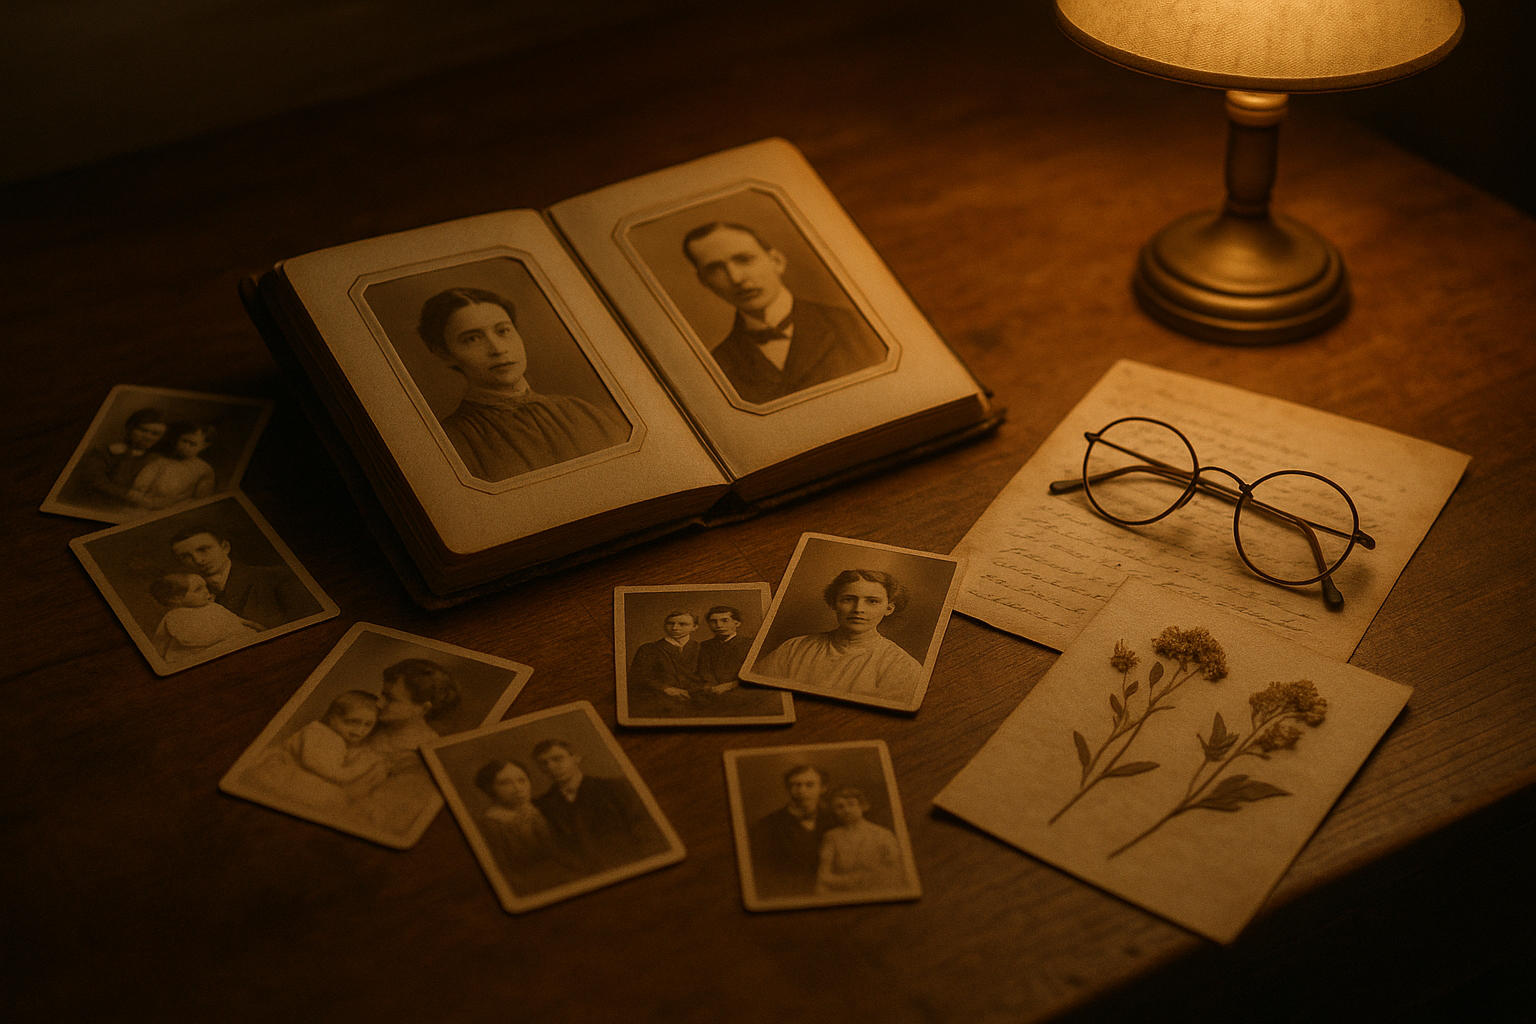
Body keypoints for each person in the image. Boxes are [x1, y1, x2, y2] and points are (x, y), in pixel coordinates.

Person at [417, 287, 629, 482]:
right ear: (445, 355)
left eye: (503, 331)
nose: (497, 349)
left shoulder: (586, 412)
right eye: (472, 339)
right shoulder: (451, 444)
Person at [682, 221, 887, 404]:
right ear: (704, 282)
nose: (735, 278)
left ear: (776, 261)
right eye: (715, 269)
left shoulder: (855, 325)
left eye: (744, 259)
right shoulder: (716, 367)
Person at [753, 569, 925, 703]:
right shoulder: (795, 648)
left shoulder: (902, 666)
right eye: (848, 600)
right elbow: (756, 691)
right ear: (834, 604)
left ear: (889, 608)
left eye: (872, 601)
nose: (858, 609)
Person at [354, 659, 462, 835]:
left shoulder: (425, 753)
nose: (378, 703)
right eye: (382, 694)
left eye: (390, 699)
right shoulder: (367, 724)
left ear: (423, 708)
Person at [531, 738, 665, 874]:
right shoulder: (542, 805)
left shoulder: (614, 788)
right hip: (581, 875)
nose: (551, 767)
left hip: (631, 865)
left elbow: (644, 829)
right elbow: (552, 850)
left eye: (557, 759)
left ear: (575, 758)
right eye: (544, 763)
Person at [246, 690, 386, 811]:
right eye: (352, 722)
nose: (359, 731)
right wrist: (358, 767)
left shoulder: (338, 740)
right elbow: (328, 771)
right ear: (332, 718)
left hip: (294, 777)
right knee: (333, 800)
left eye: (367, 725)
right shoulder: (318, 732)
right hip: (278, 775)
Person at [169, 525, 320, 631]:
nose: (198, 560)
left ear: (225, 547)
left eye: (203, 549)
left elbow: (312, 625)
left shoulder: (276, 577)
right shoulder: (184, 598)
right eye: (186, 556)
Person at [473, 758, 576, 894]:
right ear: (489, 789)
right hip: (531, 888)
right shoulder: (489, 825)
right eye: (505, 783)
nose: (518, 788)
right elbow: (504, 874)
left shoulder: (542, 810)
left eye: (522, 780)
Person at [747, 764, 837, 899]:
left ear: (823, 788)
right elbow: (762, 873)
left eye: (809, 785)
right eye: (795, 785)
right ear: (788, 788)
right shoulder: (767, 826)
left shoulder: (835, 821)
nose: (801, 790)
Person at [147, 571, 261, 665]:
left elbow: (237, 620)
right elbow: (160, 642)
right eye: (198, 589)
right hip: (201, 654)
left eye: (205, 586)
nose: (206, 591)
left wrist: (256, 627)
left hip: (235, 642)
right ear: (176, 599)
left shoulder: (213, 607)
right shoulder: (174, 617)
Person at [814, 787, 906, 894]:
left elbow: (896, 872)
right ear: (834, 811)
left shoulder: (883, 834)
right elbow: (823, 877)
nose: (846, 810)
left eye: (851, 804)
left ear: (863, 806)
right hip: (844, 894)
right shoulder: (831, 837)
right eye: (840, 807)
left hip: (879, 892)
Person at [696, 605, 784, 716]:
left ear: (737, 623)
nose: (718, 625)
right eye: (713, 621)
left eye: (724, 621)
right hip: (713, 692)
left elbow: (759, 671)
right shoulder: (705, 645)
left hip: (743, 690)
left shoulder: (750, 644)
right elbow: (703, 670)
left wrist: (730, 686)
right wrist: (710, 686)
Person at [75, 407, 167, 510]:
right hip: (99, 506)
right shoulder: (104, 452)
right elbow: (95, 481)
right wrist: (128, 494)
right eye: (143, 430)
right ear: (129, 428)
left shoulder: (157, 460)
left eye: (155, 434)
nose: (148, 437)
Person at [626, 609, 705, 716]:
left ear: (695, 627)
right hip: (660, 700)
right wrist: (665, 689)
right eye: (670, 623)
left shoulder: (702, 648)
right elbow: (637, 678)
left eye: (683, 624)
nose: (675, 628)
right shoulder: (649, 649)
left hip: (697, 700)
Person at [127, 421, 217, 510]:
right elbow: (137, 489)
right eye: (184, 440)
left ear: (204, 446)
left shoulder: (204, 470)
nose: (186, 447)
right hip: (142, 510)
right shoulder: (160, 462)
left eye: (192, 444)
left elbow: (199, 502)